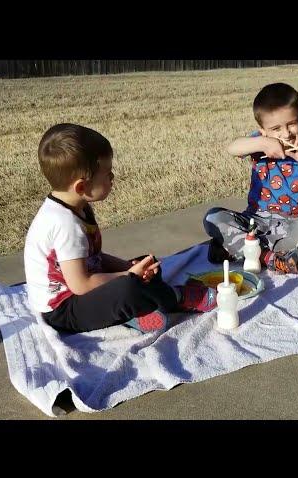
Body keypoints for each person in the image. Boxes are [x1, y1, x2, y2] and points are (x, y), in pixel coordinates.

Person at [24, 123, 216, 334]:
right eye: (107, 174)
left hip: (84, 290)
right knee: (128, 287)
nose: (113, 178)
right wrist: (127, 275)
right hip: (64, 310)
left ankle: (135, 311)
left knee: (147, 264)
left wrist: (128, 266)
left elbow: (94, 258)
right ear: (81, 187)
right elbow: (81, 284)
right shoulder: (66, 225)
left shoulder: (78, 207)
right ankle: (174, 299)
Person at [203, 83, 298, 275]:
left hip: (291, 223)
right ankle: (270, 258)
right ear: (263, 130)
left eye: (292, 123)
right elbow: (232, 148)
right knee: (212, 217)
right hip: (254, 220)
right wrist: (262, 142)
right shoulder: (259, 145)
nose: (286, 134)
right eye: (276, 128)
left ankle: (233, 248)